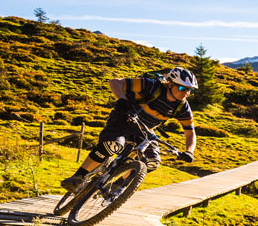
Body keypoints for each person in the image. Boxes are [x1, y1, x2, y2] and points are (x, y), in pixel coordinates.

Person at [61, 67, 198, 191]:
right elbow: (115, 82)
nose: (186, 92)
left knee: (152, 162)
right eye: (182, 88)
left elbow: (190, 133)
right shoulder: (151, 86)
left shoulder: (182, 107)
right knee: (112, 145)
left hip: (145, 131)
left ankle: (116, 185)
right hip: (124, 119)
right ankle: (78, 177)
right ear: (170, 84)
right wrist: (122, 100)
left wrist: (189, 151)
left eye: (190, 90)